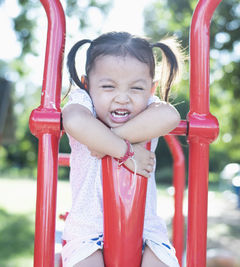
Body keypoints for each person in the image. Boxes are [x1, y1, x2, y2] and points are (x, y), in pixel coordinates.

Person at [61, 31, 184, 267]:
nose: (122, 98)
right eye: (108, 86)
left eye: (136, 89)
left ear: (151, 88)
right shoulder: (85, 103)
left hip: (145, 229)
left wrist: (107, 141)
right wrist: (125, 151)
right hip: (88, 229)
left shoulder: (149, 109)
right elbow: (75, 122)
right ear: (88, 84)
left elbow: (170, 115)